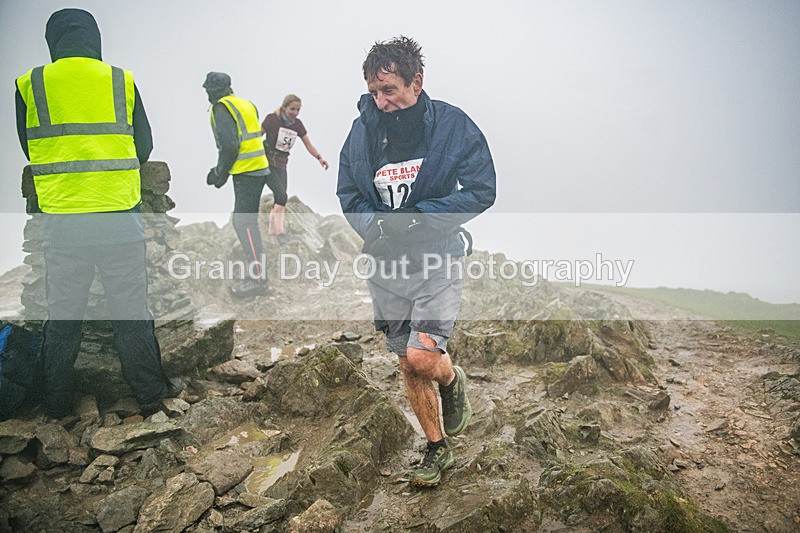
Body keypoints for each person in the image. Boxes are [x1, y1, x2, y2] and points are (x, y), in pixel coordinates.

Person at [337, 37, 496, 487]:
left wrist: (421, 217)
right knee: (406, 363)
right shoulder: (361, 132)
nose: (380, 101)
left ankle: (451, 379)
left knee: (423, 358)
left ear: (416, 82)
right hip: (386, 265)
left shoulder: (452, 125)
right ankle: (436, 447)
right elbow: (348, 192)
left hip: (438, 258)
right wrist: (374, 226)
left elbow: (481, 190)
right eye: (374, 92)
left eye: (389, 90)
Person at [14, 8, 180, 418]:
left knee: (63, 318)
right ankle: (149, 394)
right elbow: (144, 146)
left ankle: (56, 402)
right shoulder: (120, 79)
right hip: (118, 218)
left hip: (63, 221)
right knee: (131, 313)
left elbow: (30, 148)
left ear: (53, 40)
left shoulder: (31, 84)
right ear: (94, 38)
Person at [203, 72, 271, 297]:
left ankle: (259, 280)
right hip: (258, 168)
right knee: (246, 222)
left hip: (247, 172)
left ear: (212, 91)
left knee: (244, 223)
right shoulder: (246, 104)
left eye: (208, 90)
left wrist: (218, 174)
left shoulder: (221, 108)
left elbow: (230, 146)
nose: (208, 95)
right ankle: (257, 275)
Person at [261, 94, 329, 244]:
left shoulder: (297, 125)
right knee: (281, 196)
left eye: (298, 110)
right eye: (292, 109)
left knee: (280, 198)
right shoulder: (272, 119)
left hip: (281, 164)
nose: (295, 113)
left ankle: (272, 230)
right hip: (266, 163)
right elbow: (257, 136)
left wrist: (319, 157)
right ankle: (280, 233)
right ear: (284, 107)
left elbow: (308, 144)